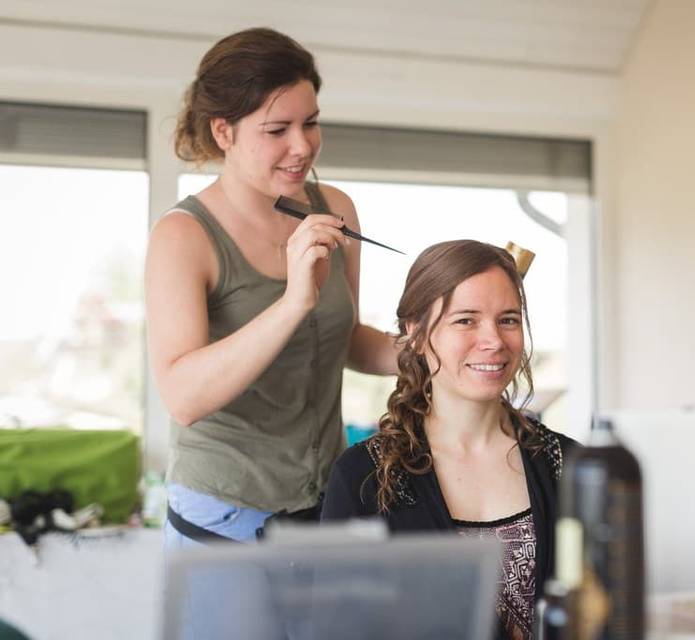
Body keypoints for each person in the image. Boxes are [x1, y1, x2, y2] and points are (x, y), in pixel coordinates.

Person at [145, 27, 398, 549]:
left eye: (311, 123)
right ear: (224, 132)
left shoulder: (336, 208)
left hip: (322, 505)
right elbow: (183, 397)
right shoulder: (183, 236)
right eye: (277, 129)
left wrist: (428, 348)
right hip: (221, 518)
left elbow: (344, 336)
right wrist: (294, 301)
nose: (301, 146)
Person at [321, 240, 577, 640]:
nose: (493, 340)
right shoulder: (363, 478)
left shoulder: (569, 463)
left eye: (508, 319)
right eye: (466, 320)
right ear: (416, 334)